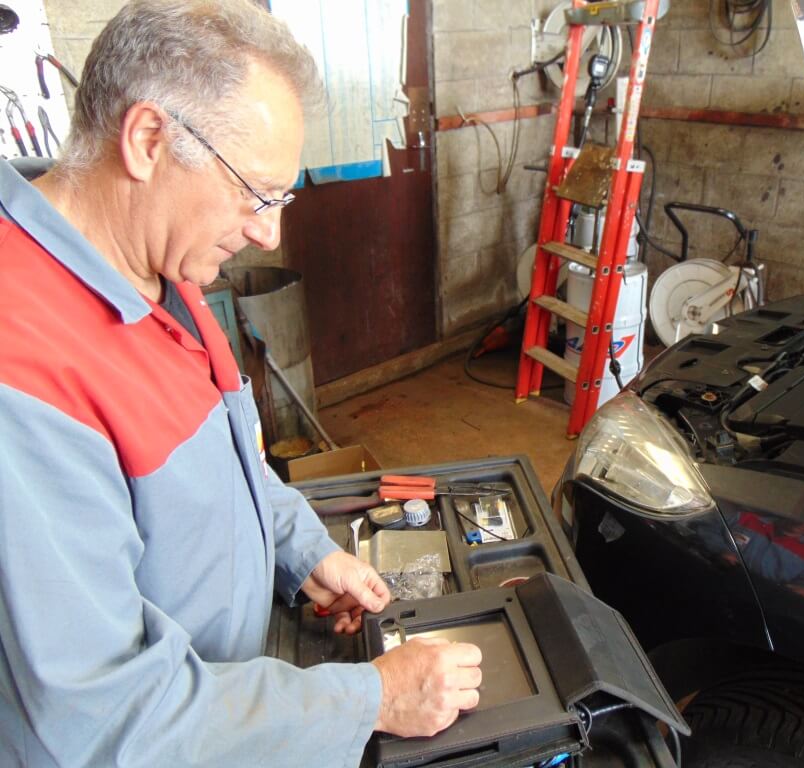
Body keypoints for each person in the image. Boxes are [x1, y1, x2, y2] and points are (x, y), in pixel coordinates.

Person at [0, 1, 481, 765]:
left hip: (232, 699)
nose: (268, 231)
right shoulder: (22, 371)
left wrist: (299, 552)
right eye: (255, 193)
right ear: (148, 140)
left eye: (279, 198)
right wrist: (372, 699)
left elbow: (231, 466)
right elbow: (101, 722)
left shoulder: (159, 265)